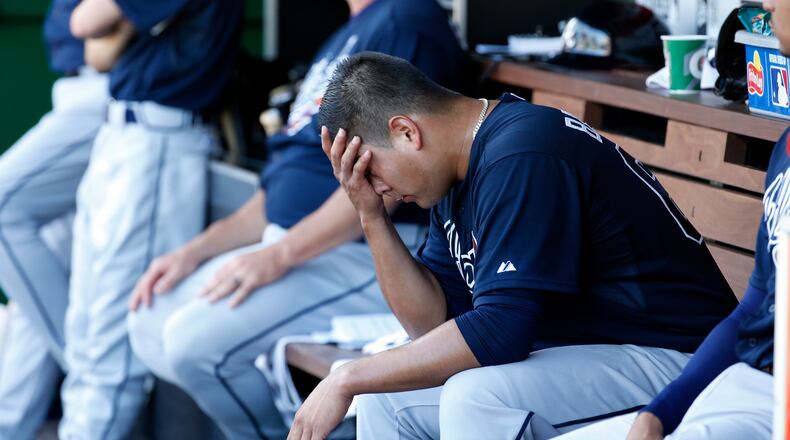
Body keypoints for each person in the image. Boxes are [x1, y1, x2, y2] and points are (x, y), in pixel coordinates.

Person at [287, 51, 740, 440]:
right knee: (384, 401)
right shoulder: (451, 175)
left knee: (478, 398)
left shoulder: (521, 153)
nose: (377, 188)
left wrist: (347, 376)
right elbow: (429, 325)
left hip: (677, 362)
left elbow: (502, 331)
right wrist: (370, 214)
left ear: (407, 132)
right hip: (591, 356)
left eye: (372, 173)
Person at [125, 0, 464, 438]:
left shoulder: (405, 21)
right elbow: (276, 195)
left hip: (371, 252)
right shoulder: (346, 34)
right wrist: (195, 251)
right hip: (299, 246)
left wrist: (279, 255)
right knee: (149, 314)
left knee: (197, 343)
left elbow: (387, 184)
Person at [551, 1, 788, 439]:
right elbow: (755, 302)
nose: (767, 4)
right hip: (741, 379)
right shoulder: (786, 145)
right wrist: (659, 412)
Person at [65, 0, 242, 437]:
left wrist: (119, 22)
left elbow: (84, 21)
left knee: (110, 350)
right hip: (123, 136)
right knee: (85, 333)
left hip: (157, 141)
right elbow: (94, 52)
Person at [0, 0, 132, 437]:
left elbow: (99, 42)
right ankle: (11, 423)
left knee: (4, 208)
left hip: (112, 96)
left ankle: (91, 377)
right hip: (78, 92)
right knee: (35, 285)